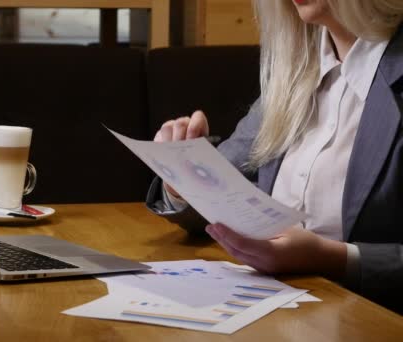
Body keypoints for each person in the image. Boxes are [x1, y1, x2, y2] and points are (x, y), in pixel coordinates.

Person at [147, 0, 403, 313]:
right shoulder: (294, 74)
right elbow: (224, 196)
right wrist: (182, 175)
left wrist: (334, 258)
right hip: (269, 312)